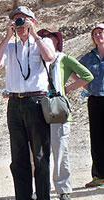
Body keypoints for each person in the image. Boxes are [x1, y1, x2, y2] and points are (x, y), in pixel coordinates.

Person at [0, 6, 56, 200]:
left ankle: (43, 196)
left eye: (22, 20)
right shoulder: (10, 47)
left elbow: (50, 57)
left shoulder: (43, 42)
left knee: (40, 156)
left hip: (37, 101)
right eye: (15, 21)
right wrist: (7, 36)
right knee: (18, 158)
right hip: (15, 104)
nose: (18, 24)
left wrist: (33, 33)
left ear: (31, 21)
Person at [37, 28, 94, 200]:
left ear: (57, 40)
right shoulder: (35, 60)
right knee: (37, 153)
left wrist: (67, 88)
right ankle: (40, 189)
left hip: (58, 110)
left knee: (60, 150)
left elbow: (87, 75)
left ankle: (63, 190)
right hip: (38, 108)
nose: (46, 39)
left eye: (50, 37)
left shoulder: (64, 59)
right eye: (43, 37)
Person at [79, 23, 104, 188]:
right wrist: (86, 86)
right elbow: (74, 69)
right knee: (97, 138)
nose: (98, 35)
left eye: (101, 32)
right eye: (95, 33)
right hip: (95, 100)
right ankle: (99, 176)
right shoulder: (89, 57)